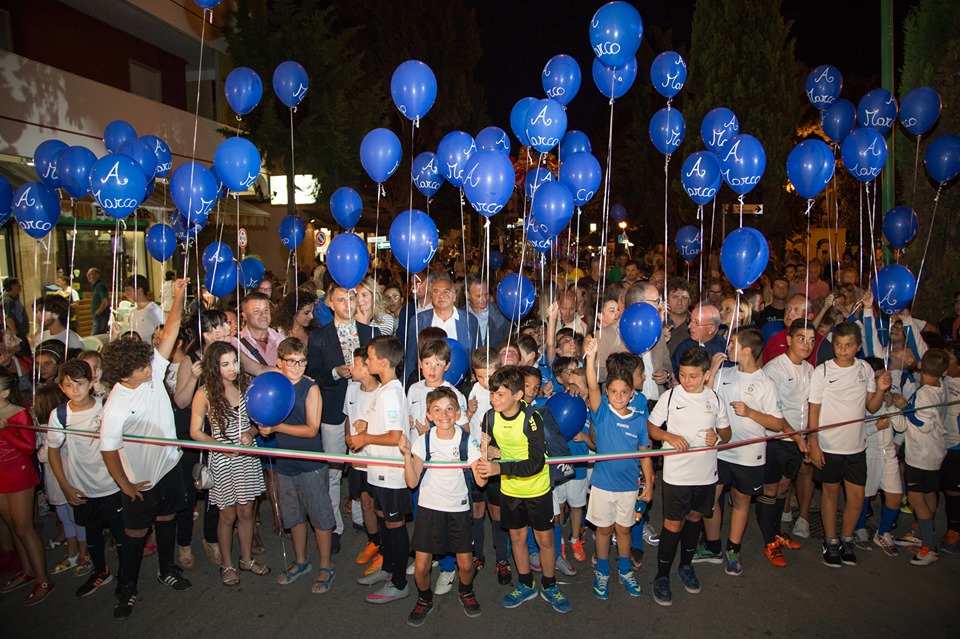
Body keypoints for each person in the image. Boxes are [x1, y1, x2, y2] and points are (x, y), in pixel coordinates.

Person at [98, 277, 190, 619]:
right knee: (135, 534)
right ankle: (127, 587)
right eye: (141, 366)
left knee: (167, 520)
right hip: (141, 482)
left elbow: (172, 329)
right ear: (124, 373)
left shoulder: (151, 369)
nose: (150, 367)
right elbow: (108, 450)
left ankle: (167, 569)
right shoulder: (116, 405)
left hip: (169, 468)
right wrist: (126, 485)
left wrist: (179, 294)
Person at [476, 366, 572, 614]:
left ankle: (549, 585)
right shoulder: (489, 417)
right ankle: (526, 583)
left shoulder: (532, 418)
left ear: (518, 395)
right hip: (510, 490)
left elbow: (536, 462)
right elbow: (490, 446)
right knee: (517, 538)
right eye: (492, 394)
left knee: (545, 540)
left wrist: (500, 468)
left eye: (500, 395)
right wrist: (489, 450)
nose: (494, 399)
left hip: (537, 489)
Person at [697, 326, 788, 574]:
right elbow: (705, 397)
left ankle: (733, 548)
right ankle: (713, 545)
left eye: (733, 343)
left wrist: (751, 413)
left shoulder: (765, 383)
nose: (727, 347)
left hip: (749, 455)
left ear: (746, 350)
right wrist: (713, 371)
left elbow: (778, 423)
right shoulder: (725, 373)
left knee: (740, 499)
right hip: (720, 449)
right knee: (710, 500)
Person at [647, 347, 731, 606]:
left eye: (693, 376)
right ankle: (661, 576)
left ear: (707, 375)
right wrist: (669, 436)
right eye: (683, 374)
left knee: (695, 519)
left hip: (705, 474)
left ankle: (685, 566)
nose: (687, 380)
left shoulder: (715, 399)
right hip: (676, 475)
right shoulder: (670, 397)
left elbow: (726, 433)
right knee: (673, 525)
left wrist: (716, 437)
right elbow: (651, 427)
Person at [400, 387, 485, 626]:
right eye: (437, 410)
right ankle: (425, 599)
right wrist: (407, 455)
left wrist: (484, 457)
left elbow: (480, 481)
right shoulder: (422, 441)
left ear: (458, 413)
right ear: (428, 415)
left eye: (449, 409)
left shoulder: (467, 441)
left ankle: (465, 591)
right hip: (429, 508)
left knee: (467, 565)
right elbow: (412, 481)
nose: (444, 414)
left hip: (458, 508)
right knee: (421, 566)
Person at [808, 321, 890, 568]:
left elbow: (871, 407)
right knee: (830, 493)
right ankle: (831, 541)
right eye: (839, 345)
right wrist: (814, 442)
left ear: (858, 346)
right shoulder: (822, 372)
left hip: (856, 446)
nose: (843, 350)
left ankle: (847, 538)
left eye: (849, 345)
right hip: (829, 445)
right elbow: (814, 410)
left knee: (856, 496)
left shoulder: (865, 368)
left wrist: (881, 390)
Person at [257, 337, 335, 592]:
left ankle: (326, 565)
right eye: (291, 361)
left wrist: (276, 427)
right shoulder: (275, 386)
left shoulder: (310, 389)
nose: (297, 366)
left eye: (302, 361)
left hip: (310, 461)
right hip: (285, 462)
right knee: (293, 516)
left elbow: (312, 429)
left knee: (320, 516)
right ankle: (301, 560)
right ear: (279, 362)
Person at [307, 283, 379, 552]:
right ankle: (333, 525)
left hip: (367, 409)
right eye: (341, 299)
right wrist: (336, 372)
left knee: (363, 468)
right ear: (329, 303)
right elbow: (312, 374)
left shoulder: (369, 332)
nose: (348, 303)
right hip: (333, 410)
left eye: (351, 297)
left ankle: (363, 518)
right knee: (334, 470)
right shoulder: (318, 337)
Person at [189, 341, 268, 585]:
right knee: (227, 516)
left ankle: (246, 560)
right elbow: (194, 431)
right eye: (225, 364)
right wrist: (221, 445)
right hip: (223, 460)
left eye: (235, 361)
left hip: (247, 457)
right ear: (214, 366)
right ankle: (227, 564)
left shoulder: (246, 386)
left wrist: (252, 433)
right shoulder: (204, 394)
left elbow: (259, 421)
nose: (232, 368)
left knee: (247, 512)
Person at [46, 358, 127, 598]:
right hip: (81, 488)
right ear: (61, 387)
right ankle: (100, 571)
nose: (74, 390)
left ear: (91, 383)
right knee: (91, 533)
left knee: (120, 531)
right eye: (68, 385)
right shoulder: (59, 415)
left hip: (111, 485)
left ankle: (126, 573)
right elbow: (53, 451)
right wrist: (65, 487)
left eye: (79, 383)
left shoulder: (105, 407)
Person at [583, 337, 653, 599]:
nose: (619, 396)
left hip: (628, 486)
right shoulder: (601, 414)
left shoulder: (637, 420)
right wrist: (590, 358)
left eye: (624, 392)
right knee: (603, 531)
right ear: (607, 393)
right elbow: (591, 385)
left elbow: (645, 455)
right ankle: (602, 571)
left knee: (623, 530)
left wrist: (648, 485)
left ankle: (625, 570)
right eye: (613, 392)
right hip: (603, 485)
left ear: (631, 393)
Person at [346, 336, 411, 604]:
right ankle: (388, 569)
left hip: (391, 473)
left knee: (395, 526)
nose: (367, 361)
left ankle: (399, 582)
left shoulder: (392, 392)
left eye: (370, 357)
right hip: (377, 470)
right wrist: (367, 427)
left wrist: (365, 438)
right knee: (384, 521)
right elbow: (385, 427)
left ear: (383, 362)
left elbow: (396, 434)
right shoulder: (384, 391)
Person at [172, 310, 230, 567]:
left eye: (226, 324)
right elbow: (181, 401)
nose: (227, 328)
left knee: (215, 493)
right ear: (206, 334)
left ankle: (210, 538)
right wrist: (195, 377)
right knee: (189, 492)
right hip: (191, 434)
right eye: (220, 326)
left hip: (218, 432)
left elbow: (255, 370)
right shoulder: (191, 360)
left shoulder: (229, 355)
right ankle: (184, 544)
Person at [890, 348, 950, 565]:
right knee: (929, 494)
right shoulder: (939, 387)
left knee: (916, 498)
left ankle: (929, 546)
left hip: (921, 454)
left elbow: (922, 424)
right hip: (933, 453)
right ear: (943, 371)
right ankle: (926, 531)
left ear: (921, 366)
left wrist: (904, 407)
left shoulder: (924, 393)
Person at [0, 372, 51, 605]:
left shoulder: (18, 414)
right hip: (1, 475)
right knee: (12, 526)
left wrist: (6, 429)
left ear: (4, 393)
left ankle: (42, 579)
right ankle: (27, 570)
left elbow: (29, 447)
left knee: (23, 527)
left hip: (19, 473)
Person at [762, 320, 816, 544]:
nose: (807, 344)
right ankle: (769, 539)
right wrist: (794, 435)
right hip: (777, 438)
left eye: (811, 340)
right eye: (801, 338)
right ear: (789, 340)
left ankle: (776, 532)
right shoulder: (774, 368)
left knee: (785, 485)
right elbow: (771, 410)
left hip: (798, 440)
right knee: (771, 488)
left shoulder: (810, 369)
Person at [465, 348, 509, 581]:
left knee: (497, 512)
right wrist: (468, 412)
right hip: (475, 460)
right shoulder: (471, 394)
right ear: (474, 374)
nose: (485, 382)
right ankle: (476, 554)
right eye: (480, 376)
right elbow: (465, 429)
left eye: (490, 376)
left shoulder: (505, 393)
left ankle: (502, 558)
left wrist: (497, 449)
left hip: (496, 463)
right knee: (476, 511)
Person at [344, 346, 383, 578]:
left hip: (376, 460)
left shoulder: (383, 393)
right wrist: (349, 439)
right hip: (356, 459)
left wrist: (368, 431)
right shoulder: (350, 390)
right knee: (365, 501)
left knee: (380, 506)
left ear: (369, 368)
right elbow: (348, 418)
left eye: (356, 363)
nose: (351, 368)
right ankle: (374, 542)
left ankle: (385, 550)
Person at [858, 357, 903, 556]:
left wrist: (893, 406)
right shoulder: (864, 399)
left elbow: (902, 427)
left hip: (889, 455)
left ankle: (883, 533)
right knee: (865, 495)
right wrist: (876, 426)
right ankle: (859, 530)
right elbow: (857, 432)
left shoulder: (891, 398)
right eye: (876, 378)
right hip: (871, 453)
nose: (880, 381)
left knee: (895, 495)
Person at [403, 274, 479, 382]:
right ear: (431, 295)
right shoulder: (418, 321)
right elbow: (411, 357)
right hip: (427, 382)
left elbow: (476, 353)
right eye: (436, 292)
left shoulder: (469, 321)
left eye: (446, 292)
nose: (441, 296)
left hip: (461, 382)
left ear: (454, 296)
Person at [671, 304, 725, 376]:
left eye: (696, 322)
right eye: (690, 320)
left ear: (711, 329)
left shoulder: (724, 350)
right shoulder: (684, 346)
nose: (690, 326)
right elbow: (673, 370)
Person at [234, 292, 284, 369]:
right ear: (245, 316)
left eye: (266, 310)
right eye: (256, 311)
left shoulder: (280, 338)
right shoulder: (236, 343)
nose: (263, 314)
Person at [465, 274, 509, 348]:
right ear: (467, 295)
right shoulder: (459, 316)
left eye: (486, 294)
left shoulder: (501, 314)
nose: (484, 299)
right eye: (479, 296)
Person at [122, 275, 163, 343]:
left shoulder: (154, 310)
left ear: (140, 290)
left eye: (128, 290)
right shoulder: (133, 312)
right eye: (125, 290)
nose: (125, 294)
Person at [1, 278, 29, 349]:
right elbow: (8, 319)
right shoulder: (8, 301)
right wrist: (17, 335)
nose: (20, 286)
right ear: (13, 286)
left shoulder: (14, 298)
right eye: (18, 285)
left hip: (21, 333)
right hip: (17, 335)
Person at [87, 269, 111, 336]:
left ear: (97, 275)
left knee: (96, 336)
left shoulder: (100, 286)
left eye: (91, 274)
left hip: (101, 315)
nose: (88, 276)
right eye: (87, 274)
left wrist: (97, 313)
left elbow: (105, 302)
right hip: (99, 315)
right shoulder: (95, 286)